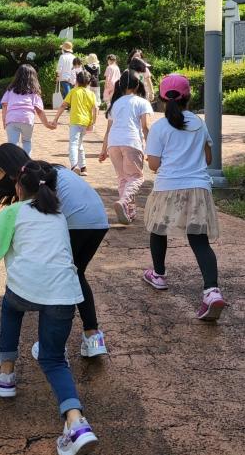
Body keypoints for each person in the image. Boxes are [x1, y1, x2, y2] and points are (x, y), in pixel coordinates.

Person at [0, 161, 98, 455]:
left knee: (11, 305)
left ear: (19, 187)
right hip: (64, 294)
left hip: (24, 290)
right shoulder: (58, 215)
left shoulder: (12, 213)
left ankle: (6, 372)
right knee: (54, 360)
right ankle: (76, 423)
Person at [0, 144, 109, 358]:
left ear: (10, 167)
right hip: (98, 220)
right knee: (75, 274)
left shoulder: (33, 179)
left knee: (55, 279)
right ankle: (93, 337)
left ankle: (53, 344)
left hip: (75, 221)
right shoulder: (46, 170)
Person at [143, 74, 227, 320]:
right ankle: (211, 291)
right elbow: (209, 159)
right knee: (199, 241)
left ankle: (158, 274)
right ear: (189, 97)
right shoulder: (199, 123)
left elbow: (154, 165)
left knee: (158, 230)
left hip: (168, 186)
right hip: (198, 187)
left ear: (161, 97)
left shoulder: (159, 127)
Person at [99, 69, 153, 224]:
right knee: (136, 177)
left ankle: (128, 212)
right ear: (137, 86)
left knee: (123, 178)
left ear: (121, 86)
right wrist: (150, 149)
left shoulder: (114, 104)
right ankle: (124, 202)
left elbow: (108, 130)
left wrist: (103, 150)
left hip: (113, 143)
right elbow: (146, 127)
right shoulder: (142, 102)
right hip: (132, 142)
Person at [1, 64, 54, 156]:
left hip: (12, 119)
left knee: (12, 144)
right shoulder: (34, 92)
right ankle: (27, 165)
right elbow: (40, 111)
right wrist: (47, 124)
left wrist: (4, 120)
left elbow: (4, 106)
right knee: (26, 141)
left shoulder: (10, 90)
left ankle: (14, 165)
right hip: (27, 119)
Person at [53, 70, 97, 175]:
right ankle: (83, 167)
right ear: (89, 82)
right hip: (86, 122)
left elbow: (63, 105)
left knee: (73, 144)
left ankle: (74, 165)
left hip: (75, 121)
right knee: (79, 144)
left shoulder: (73, 91)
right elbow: (95, 108)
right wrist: (93, 122)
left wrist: (56, 119)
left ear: (77, 80)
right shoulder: (91, 93)